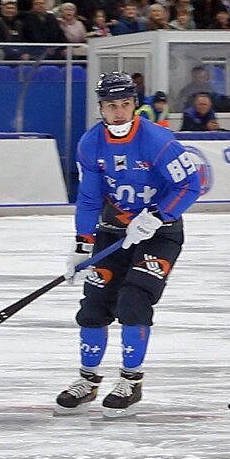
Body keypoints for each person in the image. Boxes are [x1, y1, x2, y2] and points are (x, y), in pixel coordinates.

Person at [56, 72, 202, 418]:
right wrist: (82, 243)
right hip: (113, 232)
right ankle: (88, 381)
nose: (118, 113)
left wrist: (157, 214)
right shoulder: (90, 144)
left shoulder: (158, 141)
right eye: (110, 106)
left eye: (124, 105)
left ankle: (131, 381)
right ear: (101, 108)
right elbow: (90, 199)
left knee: (134, 298)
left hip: (160, 235)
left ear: (134, 105)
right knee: (93, 305)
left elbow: (190, 185)